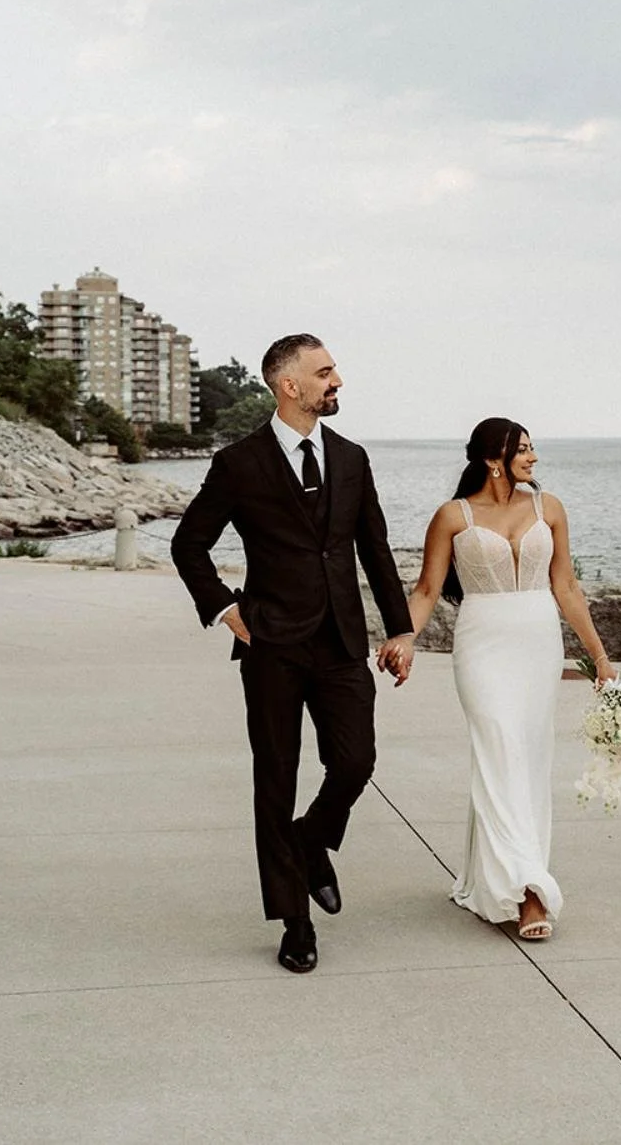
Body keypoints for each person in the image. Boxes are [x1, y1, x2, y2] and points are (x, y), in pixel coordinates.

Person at [170, 333, 416, 974]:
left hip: (341, 642)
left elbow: (375, 549)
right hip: (272, 646)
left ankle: (311, 843)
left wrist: (401, 629)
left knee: (355, 762)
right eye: (325, 372)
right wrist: (227, 611)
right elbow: (188, 545)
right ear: (289, 386)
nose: (337, 381)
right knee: (274, 780)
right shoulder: (240, 463)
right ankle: (294, 921)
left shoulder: (353, 459)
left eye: (333, 369)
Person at [385, 417, 614, 941]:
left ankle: (490, 875)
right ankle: (530, 892)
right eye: (524, 451)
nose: (534, 459)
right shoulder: (452, 516)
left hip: (537, 644)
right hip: (482, 644)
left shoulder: (548, 508)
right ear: (494, 459)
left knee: (526, 759)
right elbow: (425, 590)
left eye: (534, 450)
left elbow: (568, 587)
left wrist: (598, 656)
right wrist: (405, 638)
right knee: (498, 749)